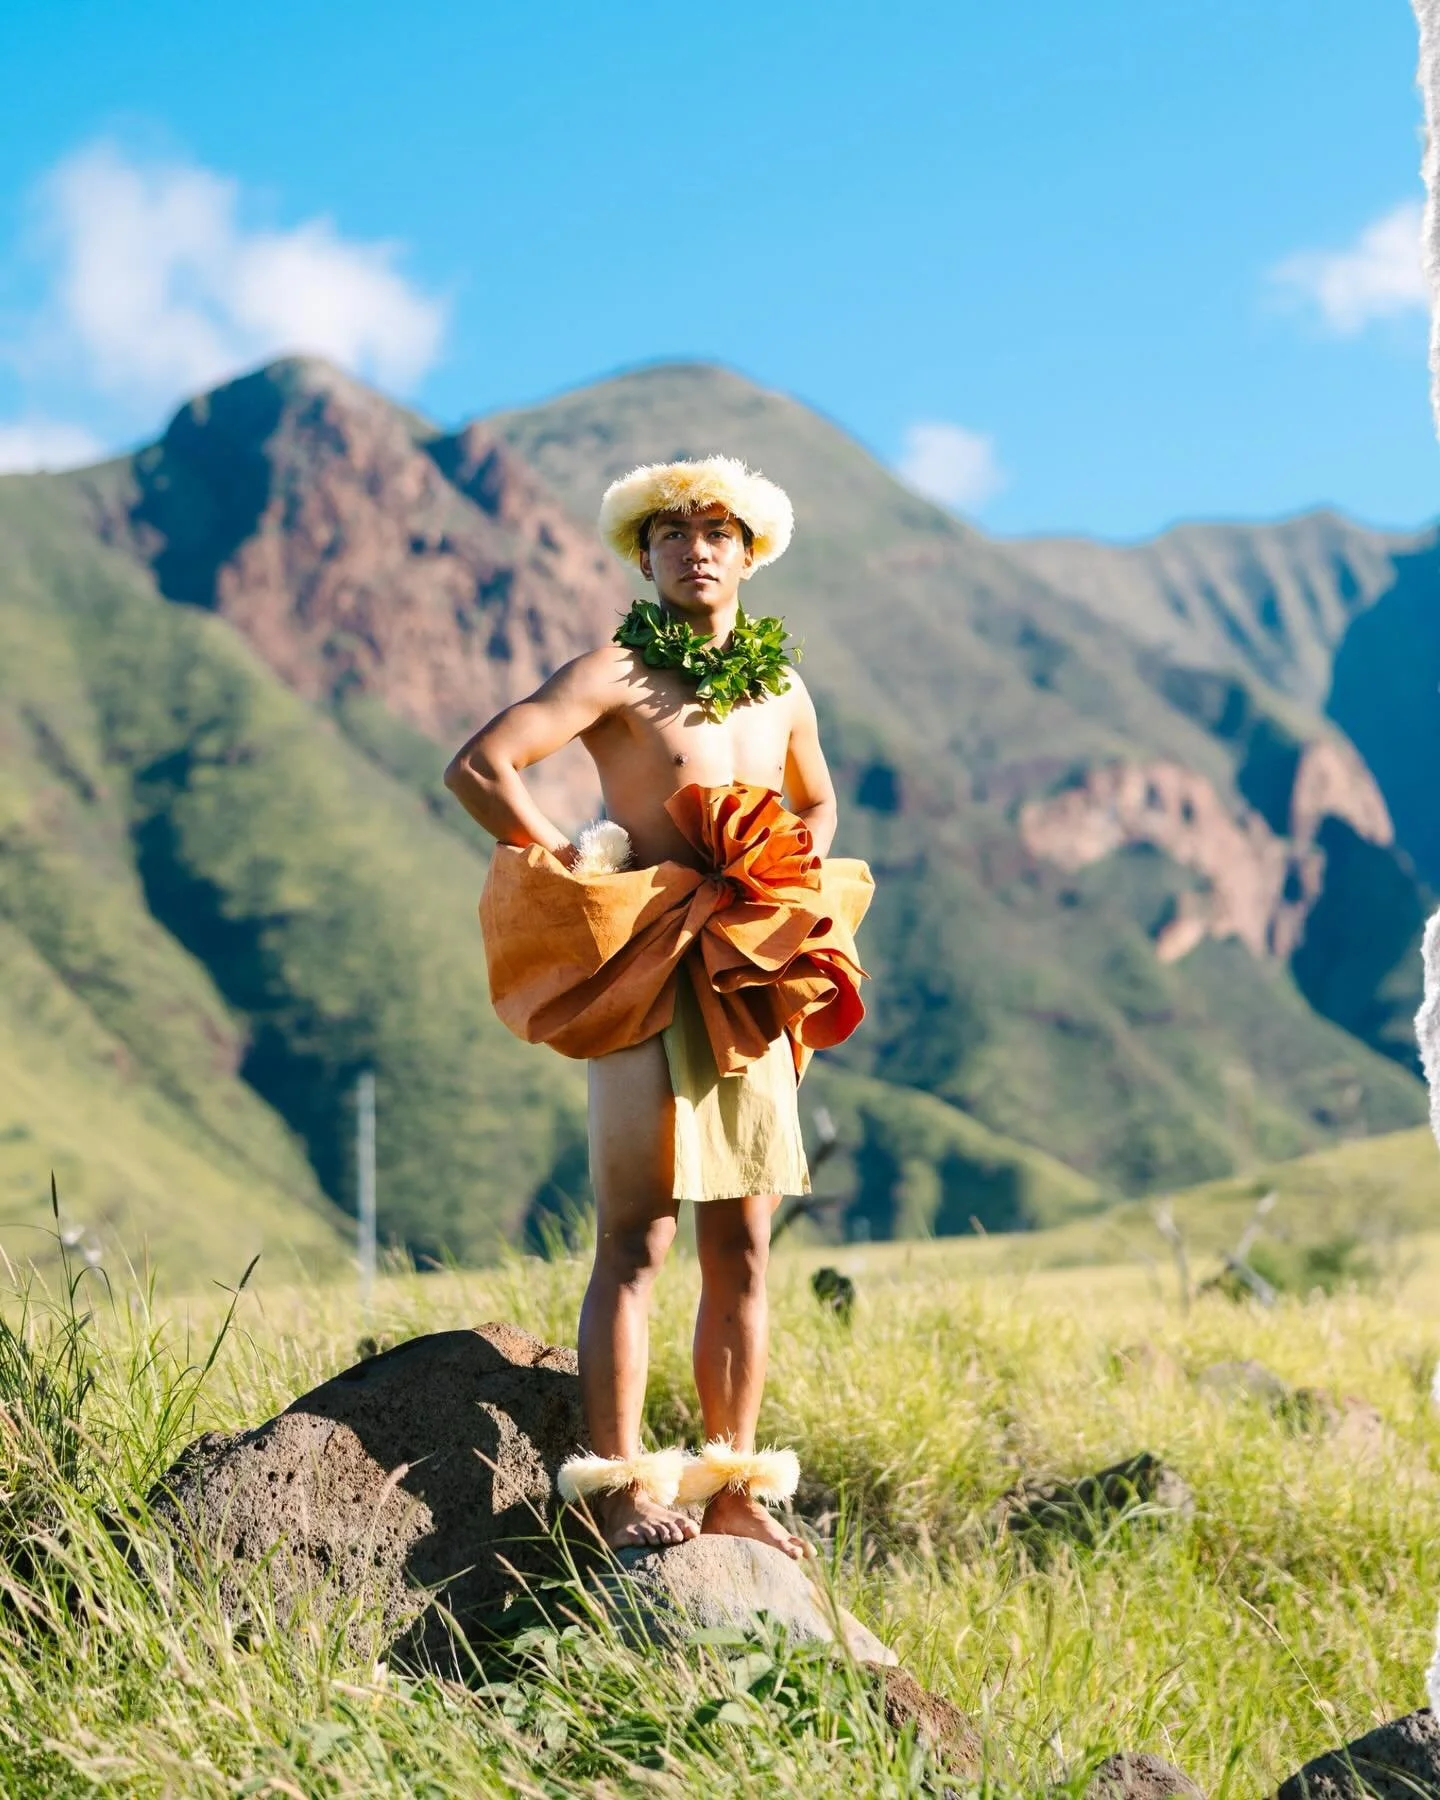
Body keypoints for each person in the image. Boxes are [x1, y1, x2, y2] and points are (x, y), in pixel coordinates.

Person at [444, 456, 871, 1557]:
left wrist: (787, 877)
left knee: (745, 1248)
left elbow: (818, 800)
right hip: (649, 969)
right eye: (672, 534)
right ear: (645, 557)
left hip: (750, 976)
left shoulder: (784, 690)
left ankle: (734, 1488)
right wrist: (580, 862)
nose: (696, 549)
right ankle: (621, 1487)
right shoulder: (615, 674)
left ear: (749, 554)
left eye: (717, 532)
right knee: (636, 1239)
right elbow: (482, 766)